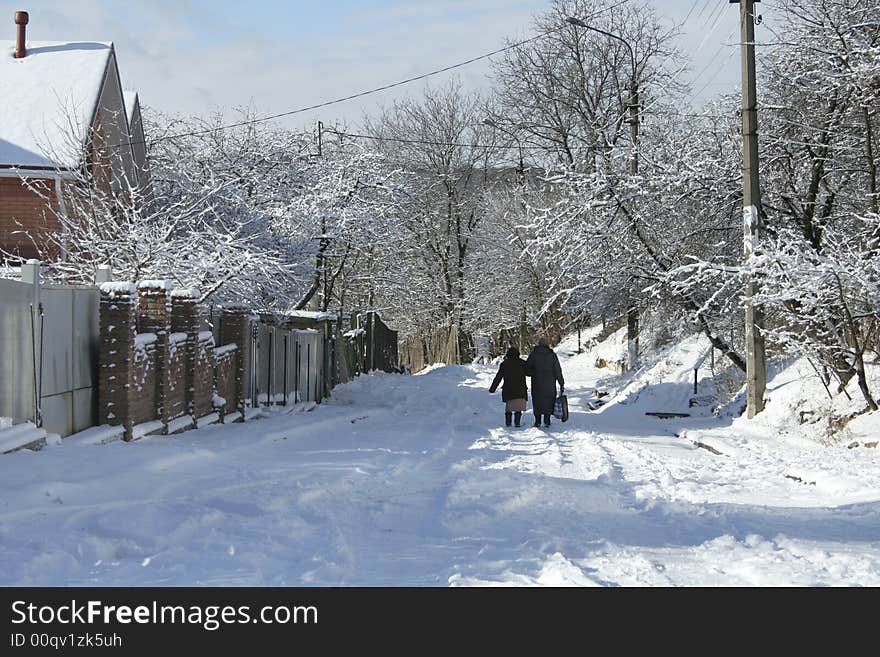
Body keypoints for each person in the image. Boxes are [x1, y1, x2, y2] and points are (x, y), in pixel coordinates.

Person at [525, 337, 564, 428]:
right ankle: (547, 420)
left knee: (537, 401)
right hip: (550, 383)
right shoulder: (552, 355)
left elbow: (526, 369)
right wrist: (561, 382)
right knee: (549, 401)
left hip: (537, 383)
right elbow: (557, 370)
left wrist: (533, 373)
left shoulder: (533, 354)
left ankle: (537, 421)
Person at [489, 346, 528, 427]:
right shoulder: (522, 363)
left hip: (508, 389)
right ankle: (517, 423)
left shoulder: (504, 364)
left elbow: (498, 377)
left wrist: (492, 389)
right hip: (520, 388)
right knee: (518, 407)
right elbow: (529, 373)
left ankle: (508, 423)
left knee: (509, 407)